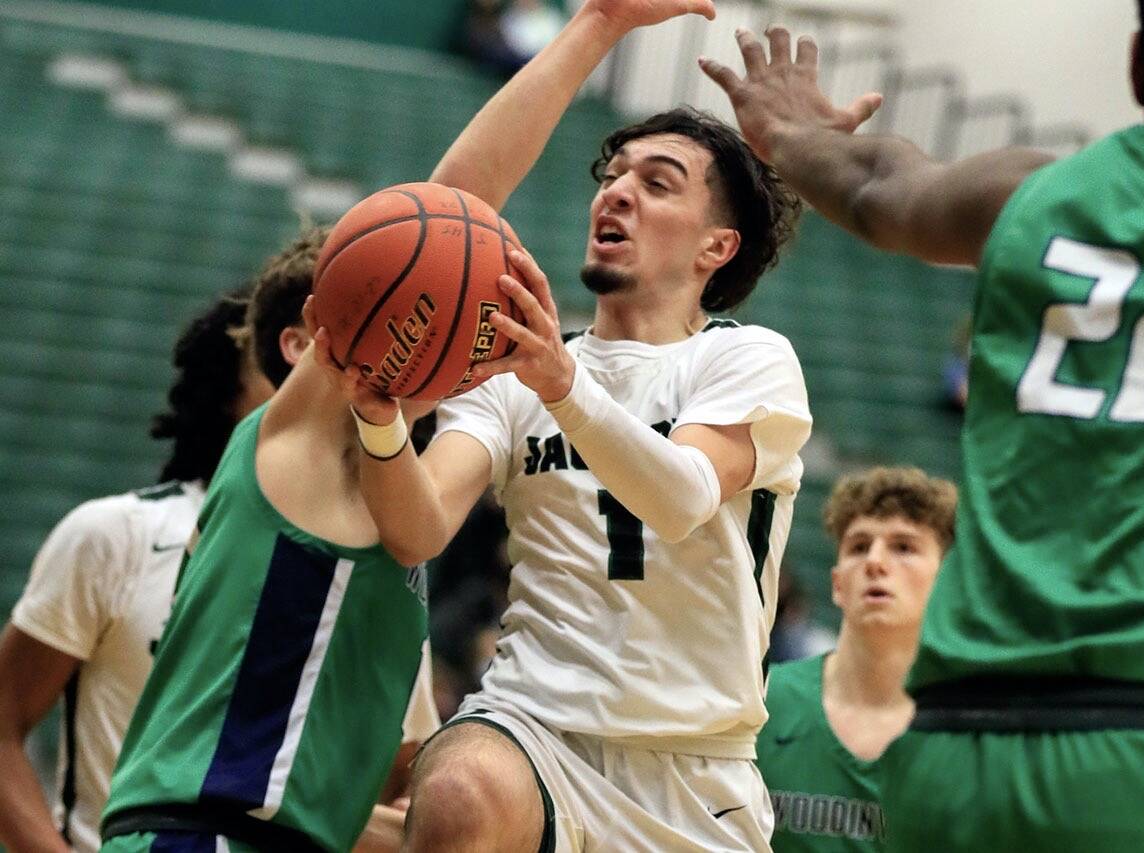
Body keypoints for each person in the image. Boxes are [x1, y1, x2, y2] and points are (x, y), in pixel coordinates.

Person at [703, 2, 1144, 849]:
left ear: (1138, 70)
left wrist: (789, 134)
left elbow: (877, 184)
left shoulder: (1031, 193)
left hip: (951, 754)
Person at [307, 0, 812, 848]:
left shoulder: (746, 358)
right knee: (461, 785)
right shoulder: (511, 371)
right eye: (611, 176)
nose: (616, 191)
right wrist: (381, 421)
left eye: (656, 183)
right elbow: (419, 526)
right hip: (530, 727)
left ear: (716, 248)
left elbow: (684, 494)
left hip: (694, 767)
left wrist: (563, 384)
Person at [95, 233, 435, 853]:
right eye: (396, 315)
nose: (413, 333)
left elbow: (344, 808)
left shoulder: (393, 555)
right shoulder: (261, 468)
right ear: (307, 344)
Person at [0, 288, 272, 853]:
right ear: (228, 387)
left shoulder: (379, 574)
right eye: (279, 354)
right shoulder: (114, 536)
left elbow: (397, 788)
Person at [757, 467, 955, 852]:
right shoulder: (762, 701)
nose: (875, 562)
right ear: (836, 585)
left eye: (903, 547)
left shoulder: (967, 729)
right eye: (859, 546)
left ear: (947, 581)